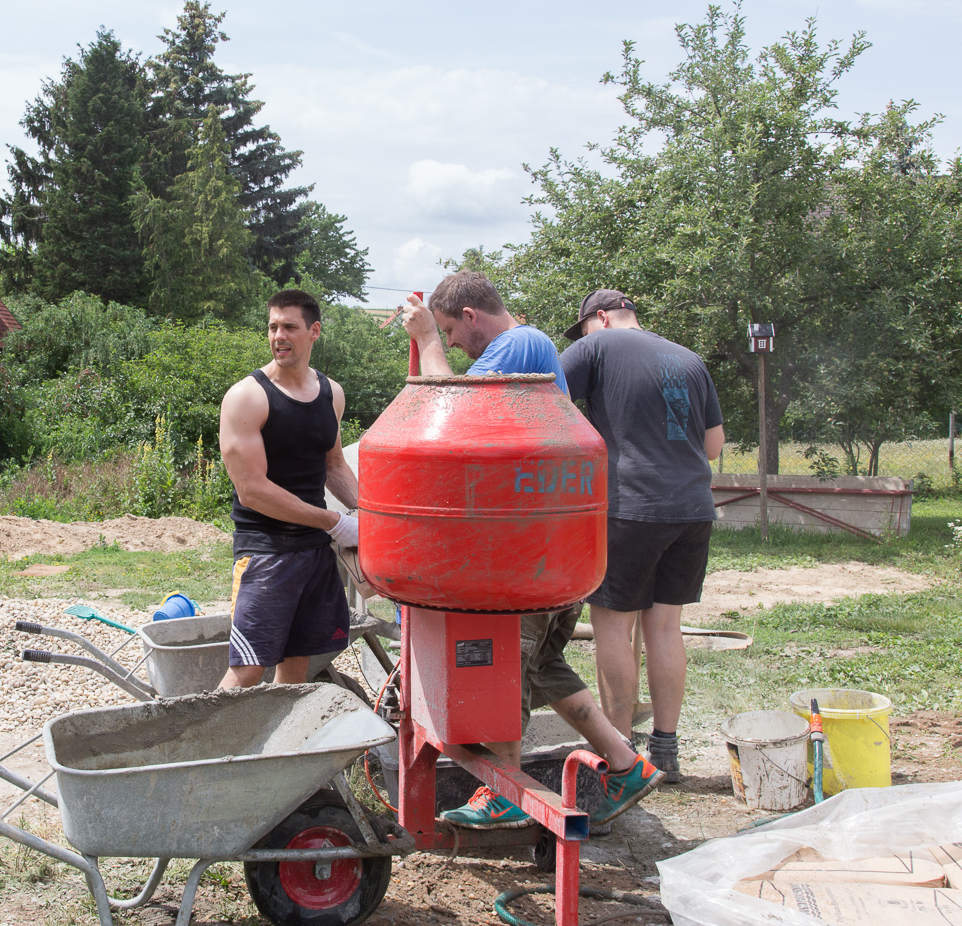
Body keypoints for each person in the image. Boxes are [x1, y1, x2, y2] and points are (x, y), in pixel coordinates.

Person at [400, 271, 663, 830]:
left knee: (506, 660)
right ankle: (625, 763)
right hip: (541, 547)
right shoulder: (521, 353)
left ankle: (503, 790)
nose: (450, 344)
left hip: (527, 556)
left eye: (450, 331)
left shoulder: (521, 343)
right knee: (543, 664)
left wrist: (424, 341)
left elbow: (458, 414)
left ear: (471, 315)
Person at [560, 289, 725, 783]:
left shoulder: (596, 347)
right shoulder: (690, 359)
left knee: (613, 626)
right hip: (693, 508)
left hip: (631, 507)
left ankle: (622, 753)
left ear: (602, 319)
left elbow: (543, 402)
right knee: (664, 627)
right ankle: (667, 750)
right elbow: (713, 446)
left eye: (584, 327)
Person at [217, 289, 359, 688]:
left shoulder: (331, 394)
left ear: (314, 331)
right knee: (247, 669)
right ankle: (206, 746)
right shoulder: (247, 397)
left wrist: (373, 515)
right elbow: (253, 491)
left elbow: (334, 466)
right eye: (273, 327)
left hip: (313, 554)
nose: (279, 335)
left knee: (297, 666)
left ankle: (282, 749)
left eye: (290, 327)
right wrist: (335, 522)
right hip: (265, 551)